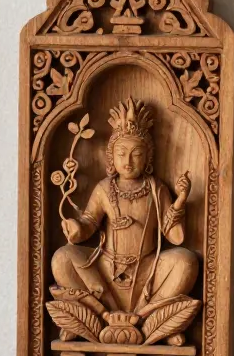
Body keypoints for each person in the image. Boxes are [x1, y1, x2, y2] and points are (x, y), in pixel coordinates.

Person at [52, 98, 199, 318]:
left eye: (137, 154)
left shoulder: (156, 188)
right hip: (107, 269)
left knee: (186, 262)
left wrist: (180, 200)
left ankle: (146, 315)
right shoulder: (104, 188)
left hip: (148, 271)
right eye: (121, 154)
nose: (128, 161)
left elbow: (174, 236)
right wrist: (77, 229)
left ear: (148, 157)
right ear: (111, 157)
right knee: (62, 258)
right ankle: (102, 313)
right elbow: (89, 224)